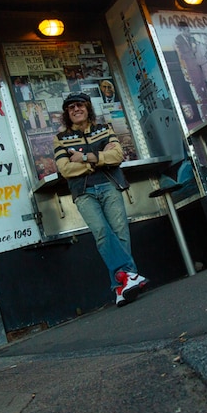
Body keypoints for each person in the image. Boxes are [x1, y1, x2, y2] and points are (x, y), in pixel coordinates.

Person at [53, 92, 148, 306]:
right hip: (84, 192)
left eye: (80, 105)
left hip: (109, 186)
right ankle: (129, 278)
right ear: (67, 114)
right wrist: (99, 159)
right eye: (71, 108)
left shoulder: (104, 129)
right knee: (103, 233)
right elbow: (66, 169)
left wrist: (85, 157)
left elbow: (118, 156)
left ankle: (121, 288)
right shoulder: (60, 139)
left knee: (120, 233)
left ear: (87, 108)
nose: (76, 109)